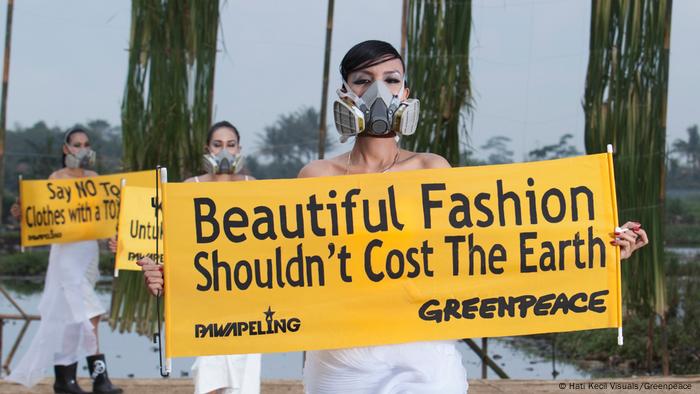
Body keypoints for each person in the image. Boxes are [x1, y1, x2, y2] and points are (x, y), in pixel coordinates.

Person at [142, 41, 649, 394]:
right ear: (345, 94)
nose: (378, 91)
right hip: (339, 362)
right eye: (364, 80)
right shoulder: (316, 176)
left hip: (424, 356)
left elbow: (491, 245)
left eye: (391, 79)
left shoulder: (432, 169)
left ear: (405, 94)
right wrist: (177, 275)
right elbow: (267, 261)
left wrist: (590, 246)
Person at [129, 121, 262, 394]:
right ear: (207, 149)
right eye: (218, 144)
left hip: (245, 293)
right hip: (206, 293)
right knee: (209, 373)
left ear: (239, 149)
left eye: (230, 144)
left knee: (244, 376)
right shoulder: (191, 186)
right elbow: (176, 237)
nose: (224, 150)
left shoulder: (252, 185)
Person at [7, 127, 122, 394]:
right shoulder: (56, 178)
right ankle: (100, 378)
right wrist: (23, 210)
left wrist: (113, 239)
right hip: (65, 254)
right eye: (76, 144)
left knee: (73, 318)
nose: (81, 149)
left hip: (88, 254)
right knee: (91, 313)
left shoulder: (94, 178)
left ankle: (65, 378)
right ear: (66, 148)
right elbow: (42, 213)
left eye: (86, 144)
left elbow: (103, 216)